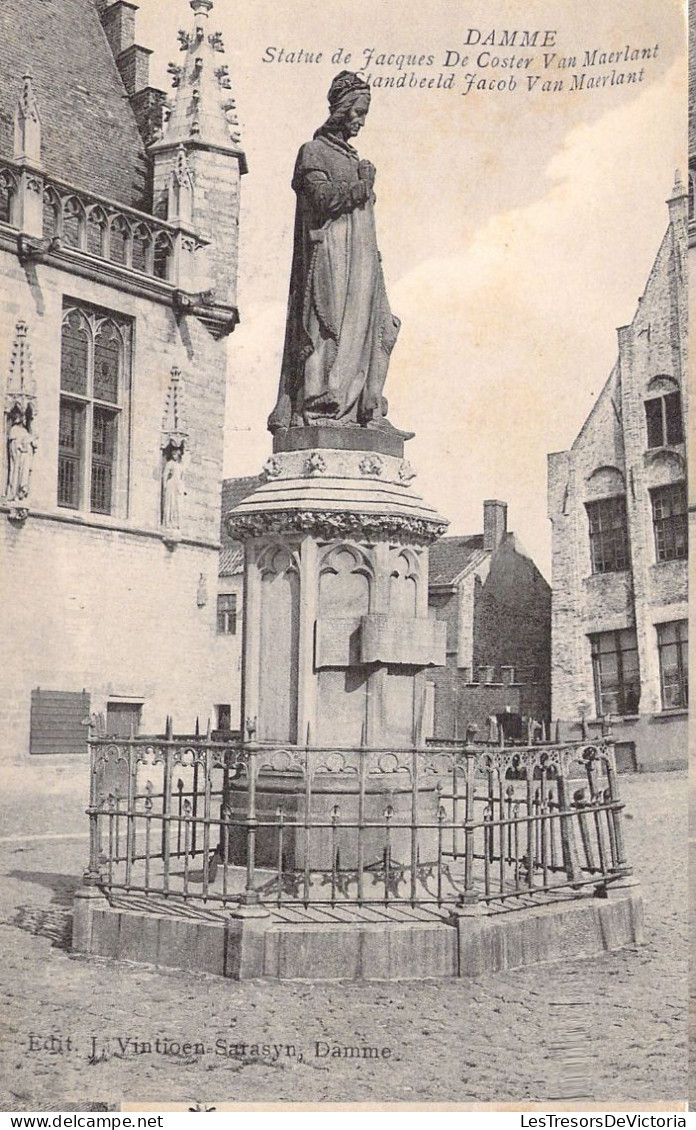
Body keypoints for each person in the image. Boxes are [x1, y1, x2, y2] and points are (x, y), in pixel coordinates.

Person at [267, 71, 400, 434]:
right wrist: (361, 187)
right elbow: (321, 199)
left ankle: (367, 408)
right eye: (356, 112)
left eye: (364, 114)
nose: (360, 121)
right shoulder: (313, 152)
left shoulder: (355, 159)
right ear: (340, 110)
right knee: (328, 332)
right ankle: (322, 405)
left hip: (361, 265)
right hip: (329, 260)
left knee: (382, 329)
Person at [6, 405, 37, 502]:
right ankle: (14, 492)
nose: (25, 420)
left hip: (26, 459)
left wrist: (32, 442)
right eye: (23, 417)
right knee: (17, 474)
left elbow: (33, 444)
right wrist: (22, 448)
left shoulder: (25, 431)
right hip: (19, 460)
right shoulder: (14, 430)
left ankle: (22, 493)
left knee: (24, 477)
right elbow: (14, 449)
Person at [162, 444, 185, 528]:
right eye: (173, 454)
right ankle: (168, 521)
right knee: (170, 503)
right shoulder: (170, 463)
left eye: (176, 454)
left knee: (177, 504)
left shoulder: (181, 466)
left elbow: (182, 478)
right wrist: (165, 485)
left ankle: (176, 523)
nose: (174, 456)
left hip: (178, 486)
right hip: (171, 484)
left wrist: (183, 489)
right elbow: (165, 474)